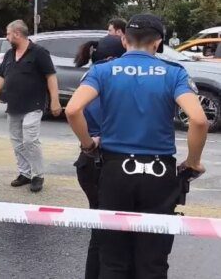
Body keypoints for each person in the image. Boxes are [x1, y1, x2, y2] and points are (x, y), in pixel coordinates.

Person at [65, 14, 207, 278]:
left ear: (123, 38)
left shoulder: (103, 71)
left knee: (112, 258)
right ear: (158, 42)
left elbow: (73, 109)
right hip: (159, 173)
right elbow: (198, 120)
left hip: (115, 169)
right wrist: (193, 161)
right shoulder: (173, 73)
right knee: (152, 260)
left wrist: (88, 145)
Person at [72, 35, 127, 279]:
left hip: (88, 163)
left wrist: (86, 144)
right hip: (105, 161)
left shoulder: (91, 75)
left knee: (100, 230)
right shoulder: (108, 77)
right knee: (112, 236)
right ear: (114, 57)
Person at [0, 20, 61, 192]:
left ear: (17, 34)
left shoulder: (39, 53)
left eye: (8, 33)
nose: (6, 37)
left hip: (33, 104)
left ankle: (38, 175)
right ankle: (24, 173)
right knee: (17, 142)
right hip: (13, 105)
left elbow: (51, 77)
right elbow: (1, 77)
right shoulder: (9, 54)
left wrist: (55, 101)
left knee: (30, 140)